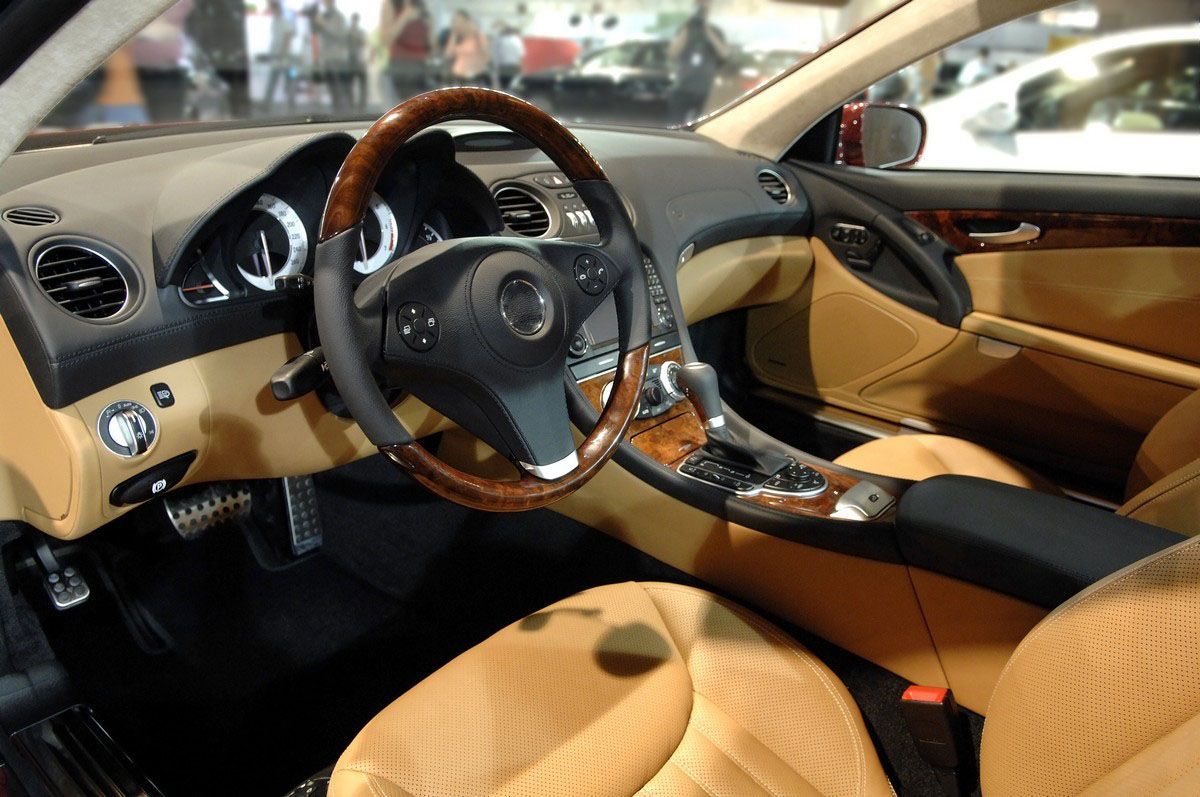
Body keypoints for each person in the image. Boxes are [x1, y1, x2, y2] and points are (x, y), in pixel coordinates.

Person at [667, 0, 729, 124]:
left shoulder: (715, 31)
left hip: (706, 90)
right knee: (675, 125)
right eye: (698, 5)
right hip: (683, 87)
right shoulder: (685, 29)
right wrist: (687, 29)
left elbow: (724, 53)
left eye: (704, 5)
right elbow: (672, 53)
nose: (701, 8)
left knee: (702, 126)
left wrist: (706, 29)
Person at [381, 0, 432, 103]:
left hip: (421, 65)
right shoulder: (391, 4)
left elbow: (430, 45)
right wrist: (405, 17)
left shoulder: (420, 7)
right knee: (410, 106)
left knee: (425, 105)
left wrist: (429, 25)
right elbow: (386, 39)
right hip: (401, 65)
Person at [310, 0, 351, 111]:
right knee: (332, 89)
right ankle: (337, 111)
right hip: (327, 58)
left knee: (340, 89)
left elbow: (340, 36)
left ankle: (343, 114)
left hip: (338, 58)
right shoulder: (322, 16)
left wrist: (324, 24)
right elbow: (318, 36)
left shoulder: (339, 17)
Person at [263, 0, 296, 111]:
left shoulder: (283, 21)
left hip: (283, 58)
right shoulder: (275, 21)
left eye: (272, 8)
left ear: (276, 9)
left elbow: (289, 35)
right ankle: (267, 104)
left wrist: (283, 52)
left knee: (285, 81)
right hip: (276, 57)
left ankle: (290, 104)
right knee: (274, 81)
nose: (271, 10)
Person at [444, 10, 489, 86]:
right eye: (454, 21)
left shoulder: (478, 36)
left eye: (459, 21)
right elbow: (448, 55)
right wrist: (453, 36)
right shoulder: (456, 38)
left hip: (474, 79)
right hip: (456, 78)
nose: (456, 24)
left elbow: (486, 57)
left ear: (467, 22)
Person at [492, 21, 525, 90]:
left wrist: (496, 67)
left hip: (503, 67)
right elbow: (521, 55)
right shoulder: (517, 41)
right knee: (511, 88)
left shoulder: (500, 40)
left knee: (502, 88)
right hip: (514, 67)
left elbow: (496, 55)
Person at [347, 12, 368, 109]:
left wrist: (356, 38)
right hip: (350, 60)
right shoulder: (347, 32)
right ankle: (351, 104)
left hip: (360, 60)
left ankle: (362, 105)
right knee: (350, 84)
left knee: (363, 84)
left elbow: (364, 43)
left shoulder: (360, 32)